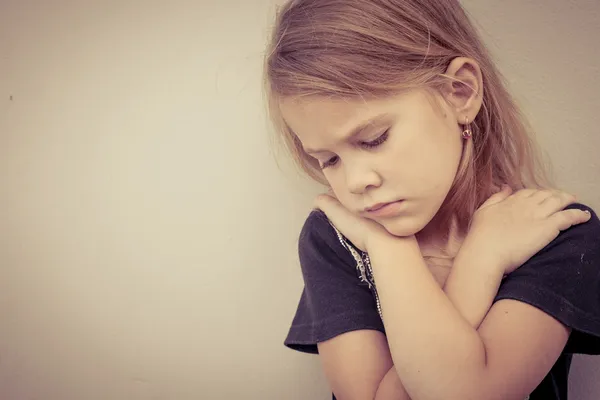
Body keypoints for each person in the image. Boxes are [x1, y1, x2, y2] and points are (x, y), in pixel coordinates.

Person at [263, 1, 600, 399]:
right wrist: (402, 252)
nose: (356, 182)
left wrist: (476, 254)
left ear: (460, 93)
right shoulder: (336, 239)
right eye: (329, 160)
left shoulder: (554, 232)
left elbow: (469, 392)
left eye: (374, 139)